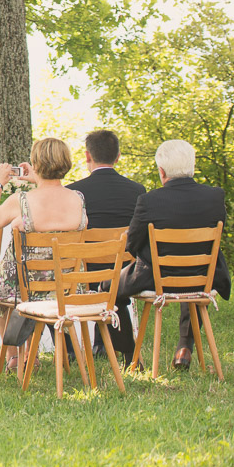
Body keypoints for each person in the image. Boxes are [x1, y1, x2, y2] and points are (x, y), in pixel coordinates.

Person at [116, 139, 231, 368]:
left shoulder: (148, 201)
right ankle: (184, 347)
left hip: (156, 278)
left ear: (162, 171)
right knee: (194, 274)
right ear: (192, 167)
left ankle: (131, 355)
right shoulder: (215, 197)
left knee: (109, 290)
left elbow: (132, 245)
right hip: (203, 276)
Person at [0, 138, 86, 371]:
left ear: (36, 165)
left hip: (26, 286)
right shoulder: (78, 199)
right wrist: (37, 179)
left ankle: (15, 355)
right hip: (66, 286)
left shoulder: (23, 200)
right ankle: (29, 352)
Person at [68, 129, 146, 358]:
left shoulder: (73, 191)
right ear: (118, 156)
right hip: (122, 272)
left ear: (87, 156)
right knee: (112, 271)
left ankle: (85, 346)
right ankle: (103, 343)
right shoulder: (137, 191)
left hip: (84, 272)